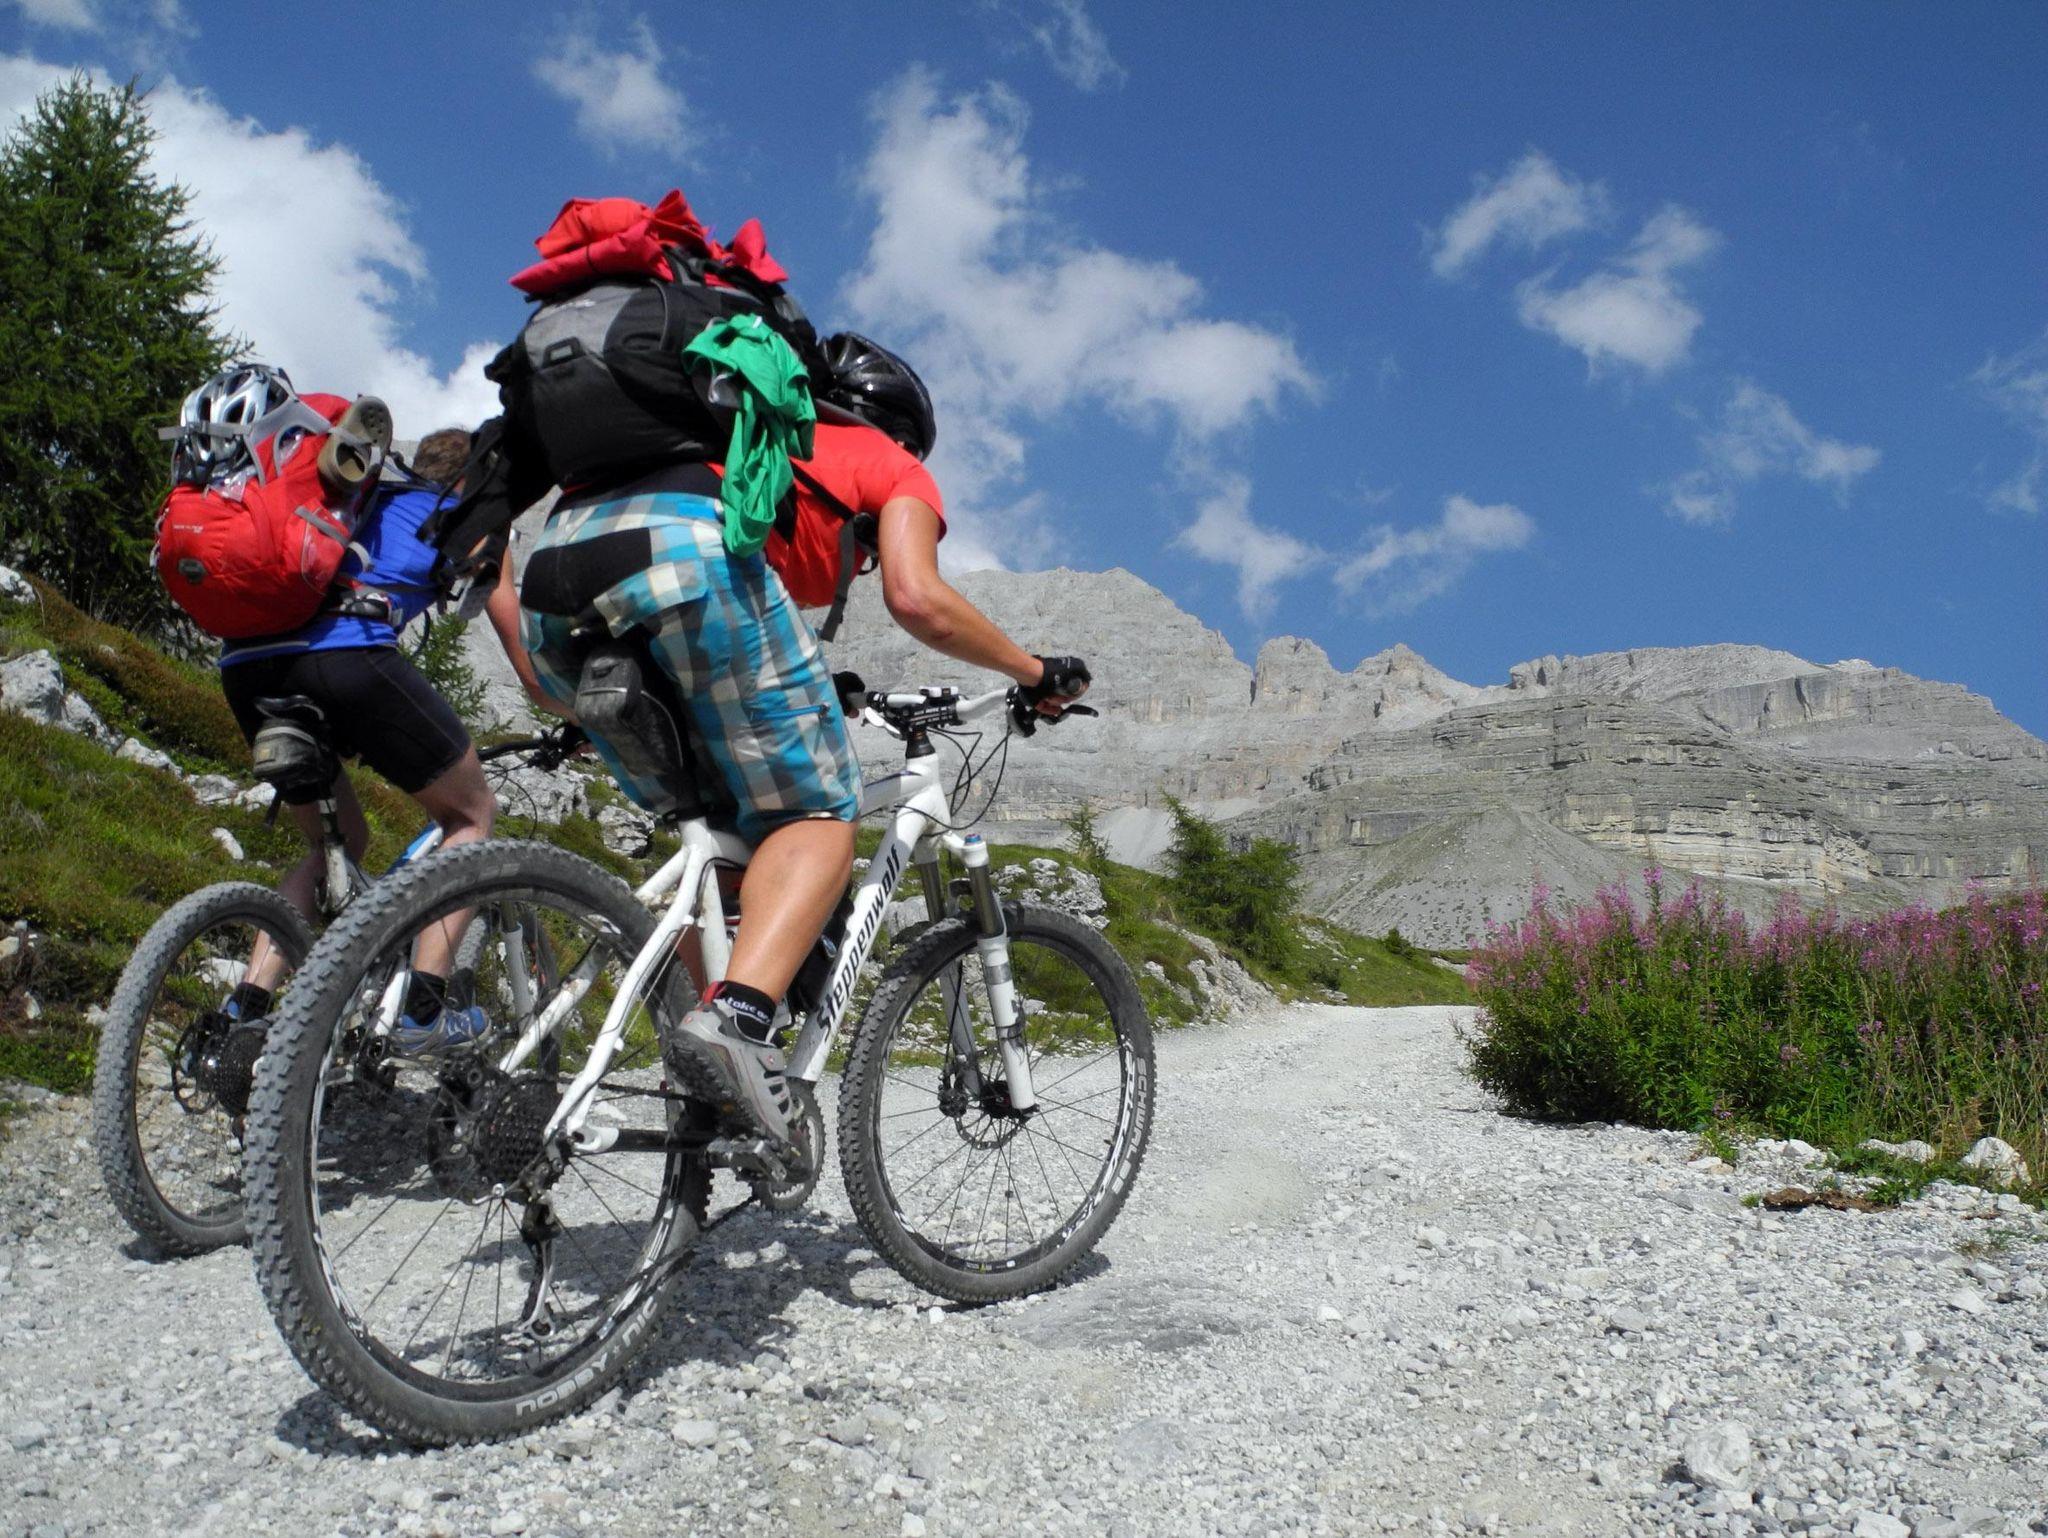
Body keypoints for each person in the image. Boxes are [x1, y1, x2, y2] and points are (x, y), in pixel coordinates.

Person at [515, 332, 1089, 1153]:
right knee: (818, 812)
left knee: (722, 847)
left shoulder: (728, 437)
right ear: (899, 432)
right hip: (685, 563)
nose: (858, 566)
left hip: (554, 582)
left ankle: (709, 1067)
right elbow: (918, 599)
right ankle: (738, 1024)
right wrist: (1033, 672)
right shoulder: (886, 460)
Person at [171, 369, 508, 1052]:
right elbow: (515, 633)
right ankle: (421, 1014)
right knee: (470, 815)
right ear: (469, 481)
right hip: (346, 658)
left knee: (339, 839)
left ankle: (244, 1010)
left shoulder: (356, 497)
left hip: (246, 666)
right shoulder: (456, 515)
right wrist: (570, 713)